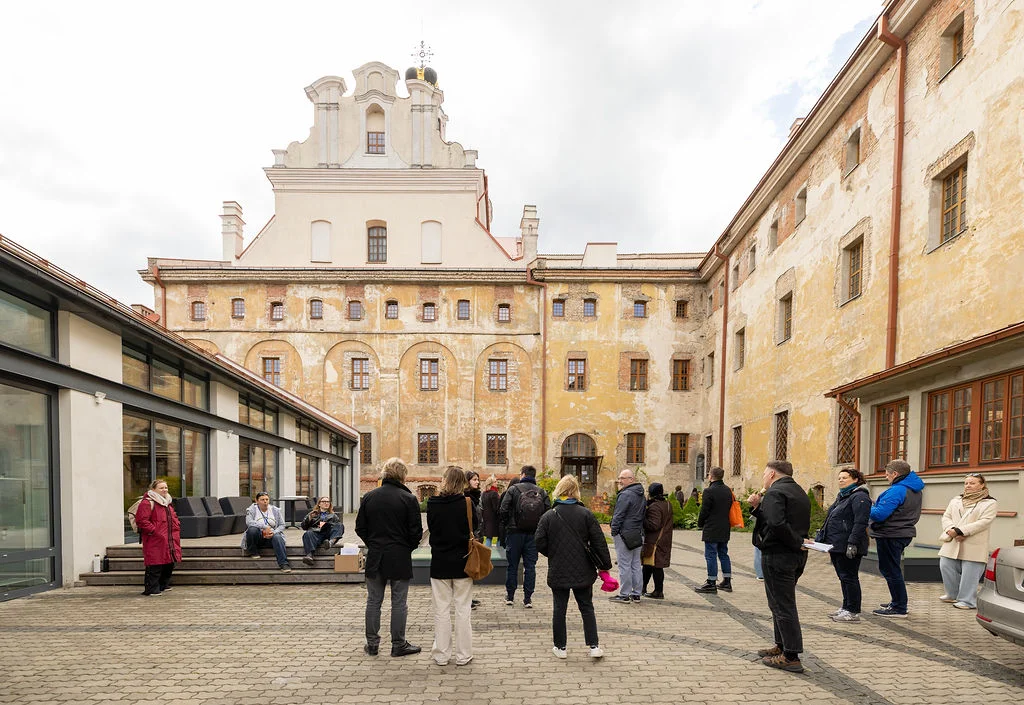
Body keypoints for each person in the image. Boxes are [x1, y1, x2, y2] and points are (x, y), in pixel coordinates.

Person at [535, 474, 611, 660]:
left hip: (558, 568)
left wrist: (552, 553)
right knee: (586, 607)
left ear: (559, 490)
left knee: (559, 608)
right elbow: (599, 542)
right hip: (583, 569)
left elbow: (539, 541)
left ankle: (560, 647)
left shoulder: (549, 516)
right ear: (575, 491)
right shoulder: (585, 514)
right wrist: (604, 566)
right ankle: (594, 646)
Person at [355, 457, 424, 657]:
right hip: (399, 556)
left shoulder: (369, 497)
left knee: (373, 601)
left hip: (376, 555)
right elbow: (416, 533)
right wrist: (406, 547)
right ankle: (398, 644)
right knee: (399, 603)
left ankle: (372, 644)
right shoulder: (408, 499)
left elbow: (360, 527)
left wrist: (373, 543)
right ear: (403, 475)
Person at [748, 460, 811, 673]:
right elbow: (777, 519)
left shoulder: (775, 492)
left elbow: (776, 524)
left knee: (783, 605)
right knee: (779, 602)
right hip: (795, 556)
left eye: (764, 474)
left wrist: (796, 541)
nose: (763, 478)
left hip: (778, 555)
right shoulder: (798, 491)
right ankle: (781, 645)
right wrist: (757, 507)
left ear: (773, 474)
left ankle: (791, 656)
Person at [427, 466, 479, 666]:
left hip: (439, 562)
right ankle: (463, 654)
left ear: (445, 480)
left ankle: (441, 654)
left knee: (441, 610)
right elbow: (475, 526)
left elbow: (432, 529)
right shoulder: (467, 503)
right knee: (463, 609)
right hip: (463, 562)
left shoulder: (432, 503)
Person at [868, 459, 924, 618]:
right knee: (893, 569)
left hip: (890, 534)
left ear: (895, 473)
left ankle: (899, 607)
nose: (885, 477)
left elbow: (879, 515)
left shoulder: (897, 490)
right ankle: (897, 602)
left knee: (891, 570)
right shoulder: (914, 489)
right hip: (902, 532)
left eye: (887, 474)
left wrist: (867, 506)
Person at [817, 469, 871, 623]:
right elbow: (831, 519)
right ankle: (846, 607)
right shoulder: (843, 496)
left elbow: (860, 522)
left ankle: (853, 612)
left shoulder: (860, 497)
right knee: (843, 577)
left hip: (848, 545)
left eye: (845, 478)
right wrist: (822, 538)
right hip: (837, 544)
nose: (841, 480)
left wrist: (852, 543)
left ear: (855, 479)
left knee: (850, 577)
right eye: (839, 478)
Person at [938, 473, 997, 610]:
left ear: (982, 485)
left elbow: (984, 522)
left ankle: (968, 601)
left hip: (973, 542)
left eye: (972, 483)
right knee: (946, 565)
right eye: (966, 483)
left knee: (970, 573)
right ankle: (952, 594)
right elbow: (946, 517)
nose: (968, 485)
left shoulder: (990, 503)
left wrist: (961, 531)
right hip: (953, 539)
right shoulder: (956, 500)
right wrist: (952, 530)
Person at [499, 465, 550, 608]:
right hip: (533, 535)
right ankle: (528, 599)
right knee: (530, 567)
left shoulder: (513, 489)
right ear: (534, 476)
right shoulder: (541, 492)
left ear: (522, 474)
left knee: (512, 566)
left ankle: (510, 596)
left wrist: (508, 524)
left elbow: (503, 509)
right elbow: (548, 513)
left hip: (514, 533)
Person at [135, 478, 182, 596]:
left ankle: (163, 585)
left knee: (169, 562)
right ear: (153, 489)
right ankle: (152, 589)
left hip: (170, 538)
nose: (164, 490)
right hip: (155, 538)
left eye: (166, 487)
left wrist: (177, 525)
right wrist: (154, 531)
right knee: (155, 564)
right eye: (161, 488)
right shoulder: (147, 503)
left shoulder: (167, 502)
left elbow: (173, 518)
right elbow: (141, 521)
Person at [609, 468, 645, 604]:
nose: (620, 481)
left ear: (631, 479)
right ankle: (636, 594)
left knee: (624, 565)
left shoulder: (625, 494)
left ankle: (624, 594)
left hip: (624, 533)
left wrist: (614, 531)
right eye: (619, 478)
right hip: (638, 533)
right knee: (636, 564)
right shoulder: (641, 494)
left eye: (622, 478)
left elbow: (618, 515)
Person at [695, 467, 733, 594]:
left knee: (711, 555)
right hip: (724, 526)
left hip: (712, 527)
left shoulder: (709, 491)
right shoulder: (728, 490)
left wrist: (700, 523)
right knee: (723, 553)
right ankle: (727, 581)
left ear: (711, 476)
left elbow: (704, 510)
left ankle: (711, 582)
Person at [242, 492, 292, 572]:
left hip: (271, 536)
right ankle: (253, 551)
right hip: (258, 537)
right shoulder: (251, 510)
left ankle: (284, 564)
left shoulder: (275, 510)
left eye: (267, 499)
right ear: (257, 501)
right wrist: (264, 527)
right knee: (252, 529)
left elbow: (282, 525)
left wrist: (274, 532)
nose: (265, 501)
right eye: (262, 500)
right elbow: (249, 522)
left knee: (278, 537)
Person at [641, 482, 673, 599]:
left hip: (655, 541)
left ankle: (658, 591)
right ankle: (644, 588)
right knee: (650, 566)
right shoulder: (667, 504)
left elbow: (654, 525)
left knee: (655, 566)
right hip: (664, 538)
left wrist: (642, 519)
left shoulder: (655, 507)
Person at [300, 496, 345, 566]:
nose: (326, 503)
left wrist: (328, 525)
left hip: (328, 535)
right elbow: (304, 527)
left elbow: (338, 529)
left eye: (328, 502)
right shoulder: (312, 514)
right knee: (307, 533)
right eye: (324, 502)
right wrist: (310, 518)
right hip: (316, 534)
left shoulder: (334, 516)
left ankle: (330, 543)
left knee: (340, 525)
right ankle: (309, 555)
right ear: (319, 504)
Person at [480, 476, 501, 547]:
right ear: (491, 483)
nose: (497, 483)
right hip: (494, 519)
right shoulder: (494, 493)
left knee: (488, 537)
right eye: (495, 482)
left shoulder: (484, 493)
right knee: (499, 538)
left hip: (486, 518)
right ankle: (499, 553)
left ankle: (487, 553)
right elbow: (496, 508)